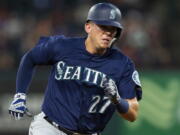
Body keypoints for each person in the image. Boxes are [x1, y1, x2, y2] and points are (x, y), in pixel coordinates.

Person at [9, 2, 142, 135]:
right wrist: (20, 95)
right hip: (50, 128)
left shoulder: (122, 64)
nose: (107, 33)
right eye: (102, 26)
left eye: (112, 29)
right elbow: (30, 58)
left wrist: (117, 100)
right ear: (88, 27)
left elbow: (133, 114)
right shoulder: (63, 46)